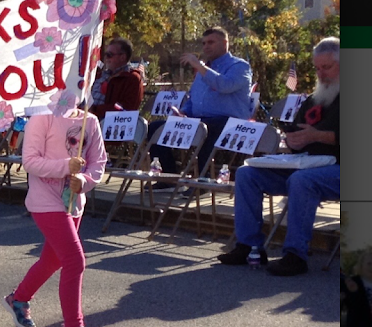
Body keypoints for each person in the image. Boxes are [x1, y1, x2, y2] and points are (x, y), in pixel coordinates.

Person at [218, 37, 340, 276]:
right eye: (317, 68)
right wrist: (294, 140)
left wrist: (318, 136)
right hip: (306, 164)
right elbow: (299, 133)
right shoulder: (315, 99)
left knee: (302, 181)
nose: (321, 74)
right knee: (247, 174)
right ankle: (249, 246)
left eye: (327, 67)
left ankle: (295, 255)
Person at [2, 107, 107, 327]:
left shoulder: (89, 120)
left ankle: (18, 298)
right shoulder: (42, 117)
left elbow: (98, 161)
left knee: (53, 259)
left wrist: (85, 181)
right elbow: (30, 161)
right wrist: (65, 166)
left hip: (73, 203)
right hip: (45, 201)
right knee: (74, 260)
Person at [149, 26, 252, 188]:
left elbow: (224, 85)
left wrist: (200, 66)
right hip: (199, 121)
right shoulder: (203, 69)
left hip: (230, 124)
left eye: (211, 42)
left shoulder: (239, 66)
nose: (206, 47)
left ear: (225, 43)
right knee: (155, 128)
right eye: (203, 43)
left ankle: (203, 184)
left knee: (206, 130)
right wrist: (183, 112)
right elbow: (194, 97)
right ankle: (168, 178)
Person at [88, 37, 144, 118]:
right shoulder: (101, 75)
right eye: (105, 54)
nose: (106, 58)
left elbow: (127, 109)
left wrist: (94, 110)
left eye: (110, 55)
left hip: (108, 124)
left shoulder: (132, 78)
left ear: (122, 57)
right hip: (87, 118)